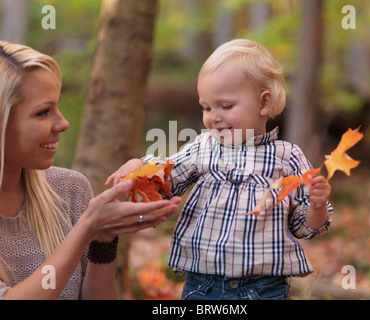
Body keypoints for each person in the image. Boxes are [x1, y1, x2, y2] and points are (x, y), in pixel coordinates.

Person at [106, 39, 333, 300]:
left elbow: (304, 227)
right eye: (206, 107)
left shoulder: (287, 157)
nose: (214, 116)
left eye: (225, 106)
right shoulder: (204, 147)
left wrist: (317, 206)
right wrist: (140, 167)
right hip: (203, 286)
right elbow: (166, 179)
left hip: (263, 288)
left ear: (264, 103)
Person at [0, 41, 181, 300]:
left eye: (57, 107)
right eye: (43, 112)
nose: (63, 123)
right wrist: (86, 228)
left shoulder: (69, 189)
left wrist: (103, 238)